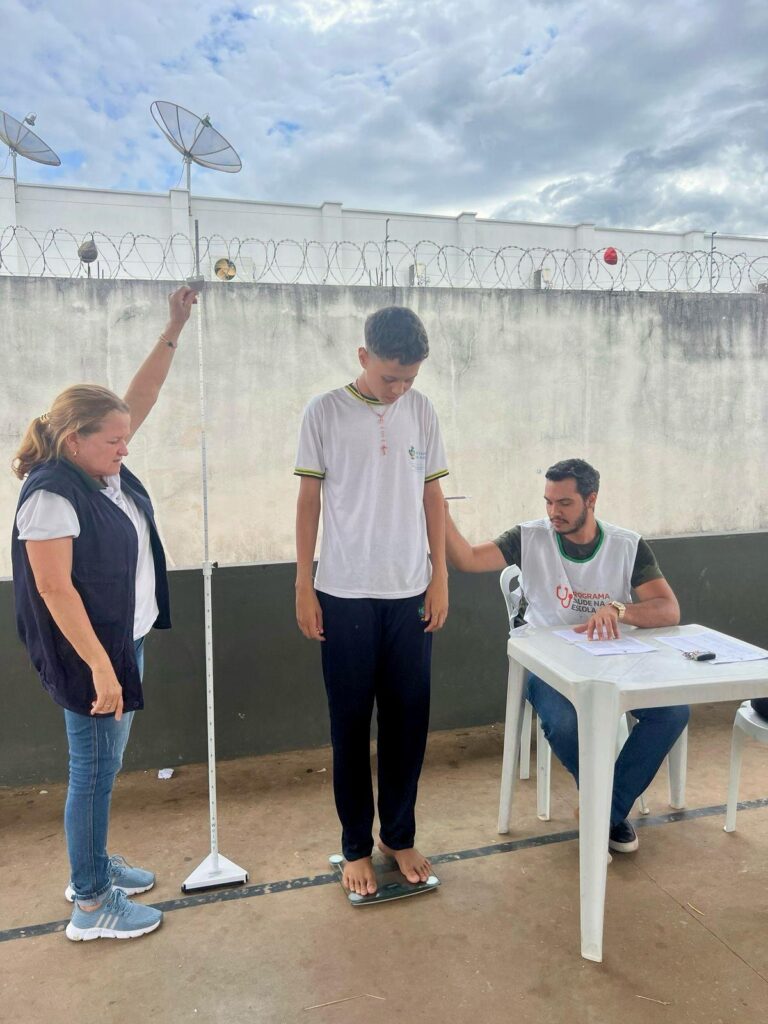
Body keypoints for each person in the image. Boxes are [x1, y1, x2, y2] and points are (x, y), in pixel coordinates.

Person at [11, 285, 196, 940]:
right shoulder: (52, 495)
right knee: (92, 770)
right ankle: (91, 904)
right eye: (115, 439)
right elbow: (54, 589)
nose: (126, 446)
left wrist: (174, 327)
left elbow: (140, 397)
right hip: (89, 654)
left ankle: (89, 861)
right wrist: (101, 668)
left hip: (120, 642)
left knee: (104, 766)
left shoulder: (98, 469)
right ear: (74, 439)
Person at [444, 457, 689, 854]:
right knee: (565, 723)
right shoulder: (529, 537)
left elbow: (668, 609)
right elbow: (467, 559)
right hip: (546, 661)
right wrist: (439, 513)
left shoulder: (626, 545)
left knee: (673, 711)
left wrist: (620, 609)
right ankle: (609, 812)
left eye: (564, 503)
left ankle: (604, 809)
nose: (553, 512)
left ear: (591, 500)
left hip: (612, 658)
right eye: (548, 502)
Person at [294, 306, 449, 896]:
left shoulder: (422, 410)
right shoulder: (324, 412)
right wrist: (304, 584)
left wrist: (439, 575)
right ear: (363, 357)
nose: (400, 388)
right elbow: (308, 501)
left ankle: (398, 836)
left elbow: (433, 498)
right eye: (390, 377)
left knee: (409, 723)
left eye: (409, 378)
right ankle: (355, 844)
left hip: (410, 592)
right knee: (351, 725)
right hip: (344, 593)